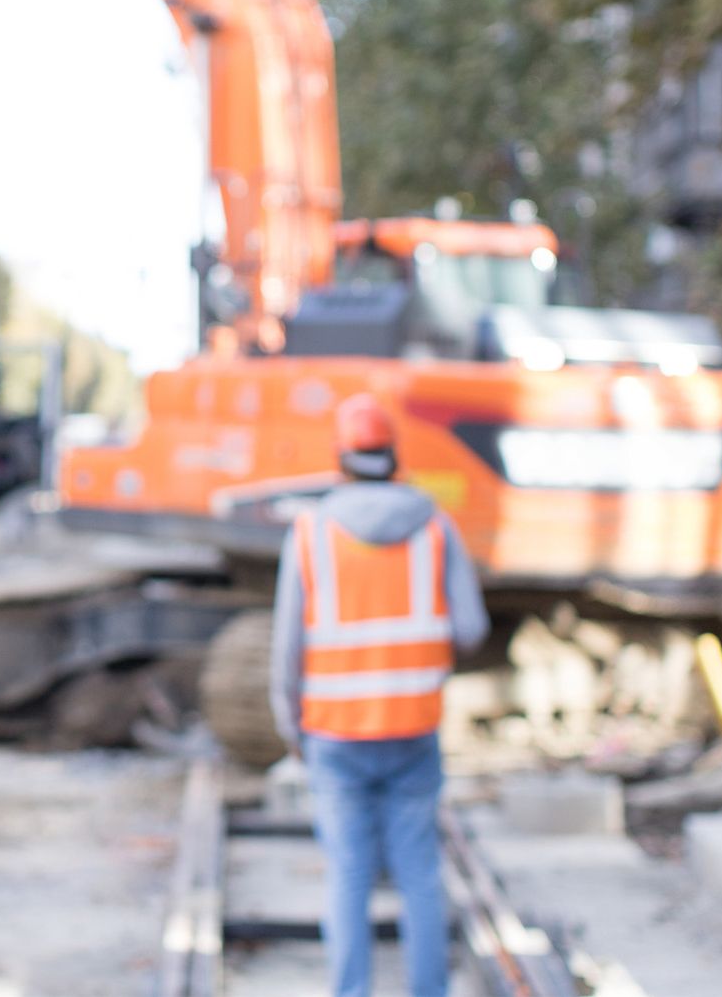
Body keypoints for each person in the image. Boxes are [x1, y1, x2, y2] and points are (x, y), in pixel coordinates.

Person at [269, 393, 488, 997]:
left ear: (341, 457)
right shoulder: (436, 525)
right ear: (394, 454)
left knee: (348, 875)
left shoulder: (311, 531)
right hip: (413, 728)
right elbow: (470, 628)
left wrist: (291, 729)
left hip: (334, 734)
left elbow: (286, 647)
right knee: (420, 872)